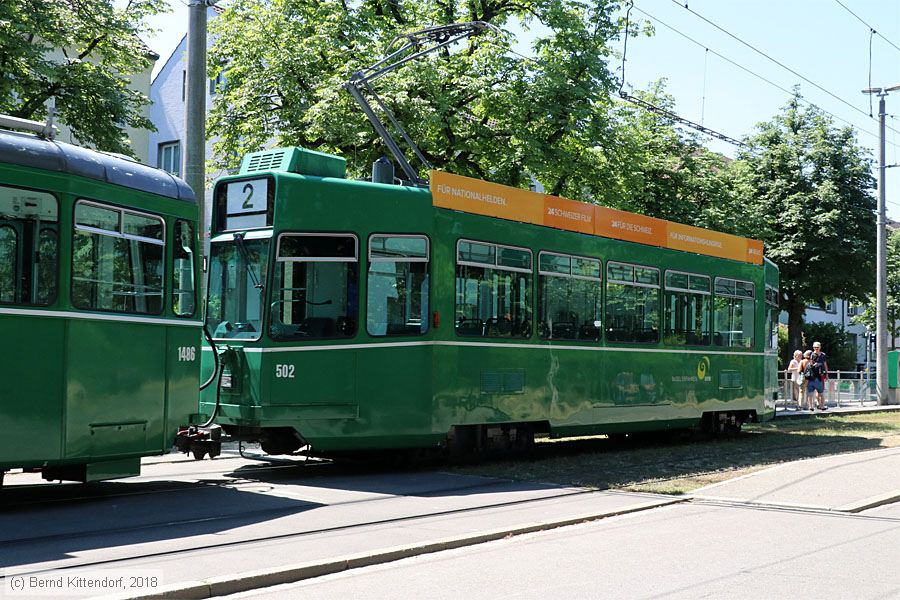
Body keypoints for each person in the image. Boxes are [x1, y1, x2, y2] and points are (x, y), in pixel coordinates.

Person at [805, 341, 829, 410]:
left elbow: (825, 364)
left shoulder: (823, 355)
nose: (816, 349)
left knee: (817, 391)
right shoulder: (812, 354)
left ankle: (818, 404)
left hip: (820, 375)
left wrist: (826, 374)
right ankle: (819, 405)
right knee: (819, 391)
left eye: (817, 347)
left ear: (820, 347)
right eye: (814, 347)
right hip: (816, 376)